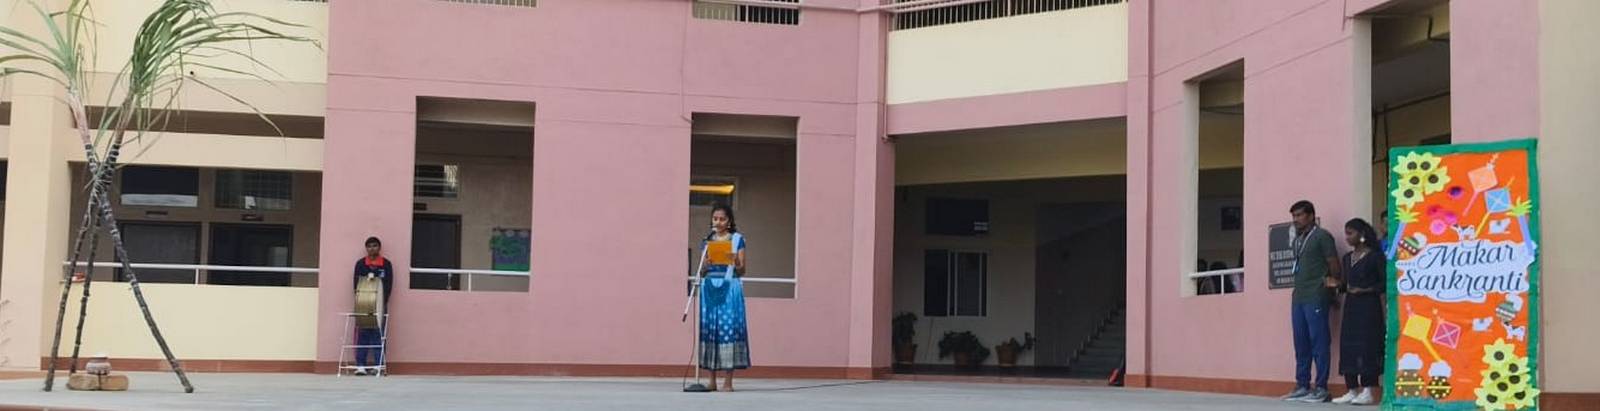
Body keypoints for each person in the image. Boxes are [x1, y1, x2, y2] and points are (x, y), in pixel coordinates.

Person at [1282, 200, 1342, 403]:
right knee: (1301, 343)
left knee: (1319, 342)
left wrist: (1333, 289)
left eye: (1299, 215)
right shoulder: (1297, 240)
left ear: (1311, 216)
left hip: (1316, 295)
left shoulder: (1322, 236)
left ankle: (1321, 387)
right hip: (1298, 297)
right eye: (1294, 216)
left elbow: (1334, 264)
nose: (1296, 219)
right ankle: (1302, 385)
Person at [1333, 219, 1385, 405]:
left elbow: (1384, 283)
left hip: (1369, 308)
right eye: (1346, 233)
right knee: (1349, 345)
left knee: (1367, 345)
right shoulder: (1347, 258)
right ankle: (1352, 389)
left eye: (1350, 233)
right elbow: (1346, 284)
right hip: (1351, 307)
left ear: (1361, 234)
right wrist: (1336, 285)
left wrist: (1365, 290)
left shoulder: (1375, 256)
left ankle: (1368, 390)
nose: (1347, 237)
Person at [698, 204, 750, 391]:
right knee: (711, 331)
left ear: (729, 221)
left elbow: (742, 270)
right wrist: (706, 265)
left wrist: (735, 261)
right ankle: (711, 380)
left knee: (728, 330)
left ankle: (728, 382)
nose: (718, 222)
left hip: (730, 287)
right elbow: (701, 272)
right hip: (710, 288)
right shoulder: (707, 241)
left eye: (722, 219)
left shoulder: (738, 240)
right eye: (715, 219)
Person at [352, 236, 394, 376]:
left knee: (378, 334)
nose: (372, 248)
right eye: (369, 246)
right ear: (366, 248)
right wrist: (360, 300)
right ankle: (360, 366)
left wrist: (382, 302)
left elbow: (389, 284)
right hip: (363, 304)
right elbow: (356, 284)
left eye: (374, 245)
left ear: (379, 247)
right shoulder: (360, 264)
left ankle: (378, 365)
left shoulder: (386, 264)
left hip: (380, 305)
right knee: (362, 334)